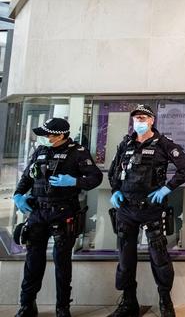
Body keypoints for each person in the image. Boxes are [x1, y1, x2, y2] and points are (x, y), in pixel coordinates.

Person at [107, 104, 185, 317]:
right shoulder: (126, 143)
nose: (139, 121)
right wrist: (115, 190)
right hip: (126, 208)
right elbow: (114, 170)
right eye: (136, 118)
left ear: (152, 120)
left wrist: (167, 188)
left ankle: (165, 302)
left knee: (159, 258)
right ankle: (128, 303)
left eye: (143, 118)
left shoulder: (163, 144)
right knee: (125, 259)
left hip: (151, 209)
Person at [13, 118, 103, 317]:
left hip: (63, 213)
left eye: (48, 135)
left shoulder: (77, 152)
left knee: (62, 263)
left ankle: (62, 307)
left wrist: (74, 181)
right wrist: (18, 195)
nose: (45, 138)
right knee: (33, 261)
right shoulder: (40, 151)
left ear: (61, 135)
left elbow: (95, 177)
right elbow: (27, 176)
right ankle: (27, 304)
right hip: (37, 213)